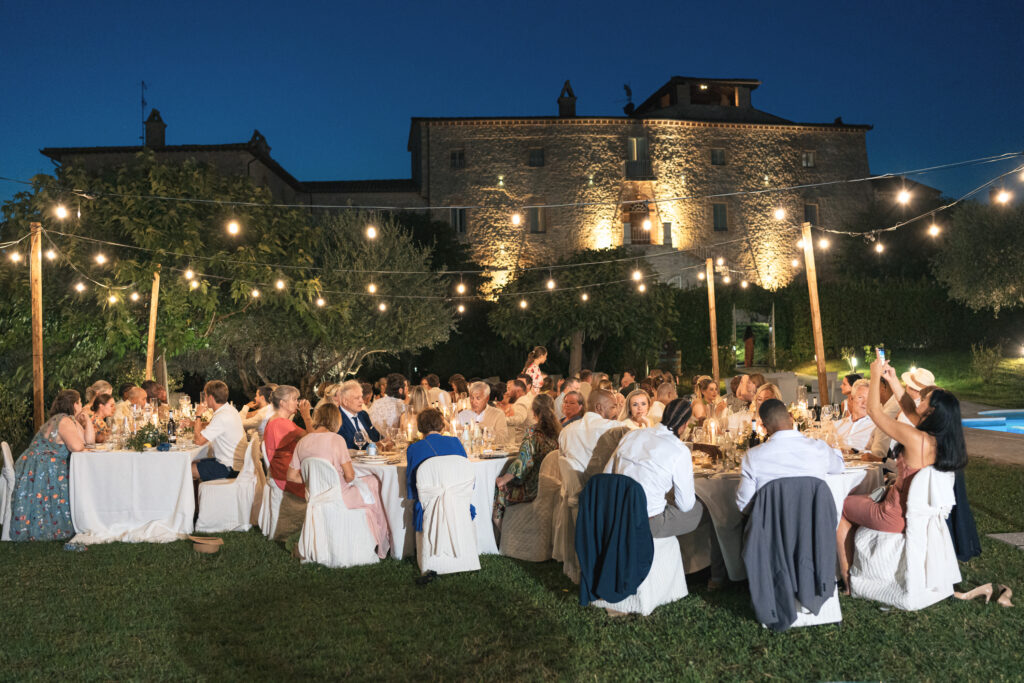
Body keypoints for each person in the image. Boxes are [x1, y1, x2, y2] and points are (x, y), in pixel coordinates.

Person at [836, 358, 967, 593]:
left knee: (842, 506)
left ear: (932, 410)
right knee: (861, 497)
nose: (919, 399)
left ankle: (847, 581)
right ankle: (860, 566)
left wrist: (875, 375)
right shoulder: (938, 438)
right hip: (913, 514)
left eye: (924, 399)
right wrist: (892, 379)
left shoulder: (915, 438)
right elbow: (909, 408)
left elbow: (875, 412)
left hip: (893, 514)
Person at [286, 403, 391, 558]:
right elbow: (349, 476)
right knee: (374, 483)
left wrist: (315, 478)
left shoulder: (303, 442)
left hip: (316, 496)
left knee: (369, 486)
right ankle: (382, 543)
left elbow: (291, 476)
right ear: (336, 421)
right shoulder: (336, 440)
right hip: (339, 496)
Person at [604, 398, 701, 537]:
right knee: (697, 509)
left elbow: (607, 474)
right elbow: (685, 505)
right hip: (647, 522)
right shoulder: (679, 450)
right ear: (684, 425)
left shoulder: (632, 434)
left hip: (617, 511)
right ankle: (695, 556)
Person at [10, 389, 95, 541]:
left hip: (44, 463)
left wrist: (87, 420)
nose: (82, 404)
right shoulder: (64, 421)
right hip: (41, 467)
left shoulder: (68, 420)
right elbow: (77, 447)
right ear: (75, 404)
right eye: (80, 401)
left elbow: (89, 442)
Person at [735, 399, 846, 513]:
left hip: (772, 527)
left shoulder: (753, 456)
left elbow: (744, 504)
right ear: (791, 416)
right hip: (814, 525)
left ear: (764, 428)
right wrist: (835, 446)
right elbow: (839, 467)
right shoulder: (819, 448)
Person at [493, 394, 561, 527]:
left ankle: (501, 534)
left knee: (500, 488)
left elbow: (524, 461)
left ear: (534, 411)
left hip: (533, 488)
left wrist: (503, 479)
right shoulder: (560, 432)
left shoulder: (533, 432)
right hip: (553, 486)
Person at [406, 409, 472, 532]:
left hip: (430, 505)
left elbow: (411, 485)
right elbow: (465, 471)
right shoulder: (455, 442)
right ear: (441, 426)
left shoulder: (414, 448)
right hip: (457, 501)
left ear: (420, 428)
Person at [191, 380, 247, 482]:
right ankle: (199, 495)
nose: (205, 399)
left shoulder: (221, 416)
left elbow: (198, 441)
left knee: (188, 469)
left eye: (206, 396)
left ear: (211, 398)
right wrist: (192, 424)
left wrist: (198, 415)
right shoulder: (230, 410)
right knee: (191, 462)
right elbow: (213, 425)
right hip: (235, 462)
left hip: (229, 467)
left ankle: (193, 497)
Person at [264, 385, 313, 499]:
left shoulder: (276, 419)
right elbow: (312, 440)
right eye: (294, 399)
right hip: (285, 474)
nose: (297, 403)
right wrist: (306, 416)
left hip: (280, 470)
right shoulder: (281, 423)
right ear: (282, 403)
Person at [559, 388, 621, 473]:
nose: (617, 411)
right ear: (598, 407)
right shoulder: (616, 428)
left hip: (573, 485)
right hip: (604, 485)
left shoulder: (566, 431)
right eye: (613, 407)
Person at [335, 379, 381, 450]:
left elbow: (375, 437)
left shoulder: (363, 414)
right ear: (345, 401)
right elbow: (347, 446)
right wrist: (373, 446)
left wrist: (384, 441)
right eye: (357, 398)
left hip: (372, 457)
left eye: (361, 397)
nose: (362, 401)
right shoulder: (336, 418)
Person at [835, 379, 875, 452]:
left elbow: (879, 454)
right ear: (851, 399)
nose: (865, 403)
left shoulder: (876, 427)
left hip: (861, 462)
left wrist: (854, 452)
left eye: (869, 399)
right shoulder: (837, 425)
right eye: (860, 397)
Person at [503, 379, 535, 444]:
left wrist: (500, 420)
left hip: (522, 442)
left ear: (518, 391)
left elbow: (518, 419)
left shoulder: (521, 402)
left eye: (509, 389)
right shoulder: (526, 399)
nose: (507, 392)